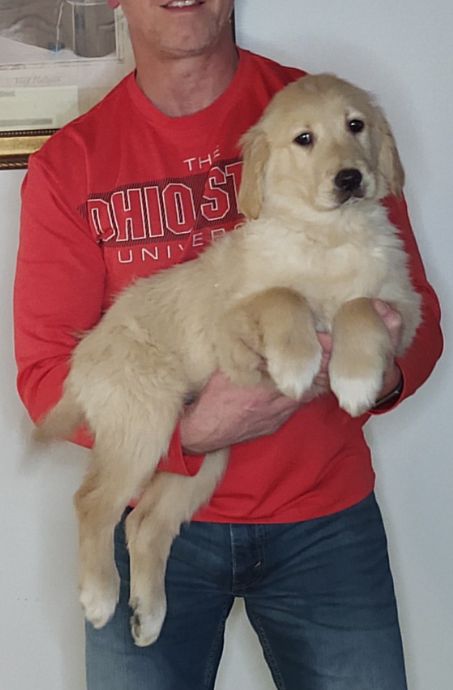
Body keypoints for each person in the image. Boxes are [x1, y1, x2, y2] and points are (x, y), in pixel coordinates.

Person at [13, 1, 443, 689]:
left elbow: (417, 330)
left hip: (324, 524)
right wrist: (190, 433)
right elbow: (42, 377)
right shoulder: (71, 166)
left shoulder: (328, 115)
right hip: (158, 515)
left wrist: (379, 369)